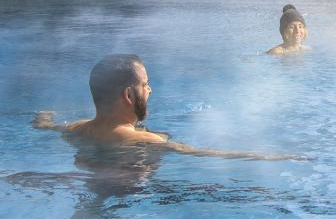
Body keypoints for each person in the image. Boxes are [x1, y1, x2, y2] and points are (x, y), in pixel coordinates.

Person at [32, 54, 302, 161]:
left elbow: (47, 126)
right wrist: (274, 157)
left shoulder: (78, 129)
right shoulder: (145, 139)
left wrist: (43, 118)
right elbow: (202, 154)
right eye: (146, 84)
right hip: (129, 194)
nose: (150, 90)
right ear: (128, 94)